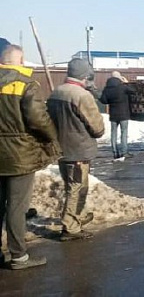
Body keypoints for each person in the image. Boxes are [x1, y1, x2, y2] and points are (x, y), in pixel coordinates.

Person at [0, 45, 60, 269]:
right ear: (20, 60)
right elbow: (38, 119)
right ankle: (18, 256)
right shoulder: (25, 85)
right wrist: (52, 135)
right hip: (19, 155)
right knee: (16, 206)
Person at [47, 58, 105, 241]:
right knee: (77, 188)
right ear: (84, 76)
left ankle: (77, 215)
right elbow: (97, 128)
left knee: (72, 185)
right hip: (78, 149)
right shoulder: (81, 96)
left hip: (62, 148)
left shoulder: (56, 92)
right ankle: (71, 226)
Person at [100, 71, 135, 160]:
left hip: (113, 114)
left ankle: (115, 152)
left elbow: (104, 101)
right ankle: (124, 152)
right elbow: (133, 90)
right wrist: (127, 83)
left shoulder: (107, 88)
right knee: (124, 133)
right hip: (123, 114)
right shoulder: (123, 87)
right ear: (119, 78)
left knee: (113, 134)